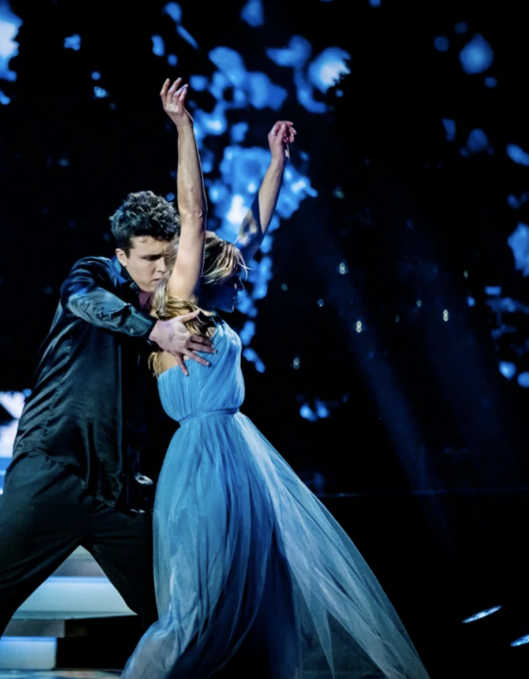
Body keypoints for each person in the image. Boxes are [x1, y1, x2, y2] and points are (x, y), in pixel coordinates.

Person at [120, 78, 431, 678]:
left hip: (240, 455)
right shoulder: (180, 310)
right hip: (204, 461)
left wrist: (276, 161)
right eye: (234, 278)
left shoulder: (211, 311)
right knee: (198, 605)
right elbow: (194, 215)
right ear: (205, 278)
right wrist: (183, 127)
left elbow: (253, 230)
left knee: (272, 590)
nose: (244, 283)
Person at [0, 164, 218, 677]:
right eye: (149, 258)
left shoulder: (165, 304)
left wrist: (274, 163)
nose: (160, 268)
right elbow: (82, 301)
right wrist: (153, 332)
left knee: (169, 611)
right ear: (122, 256)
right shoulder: (93, 275)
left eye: (166, 256)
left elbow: (217, 230)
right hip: (50, 472)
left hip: (114, 491)